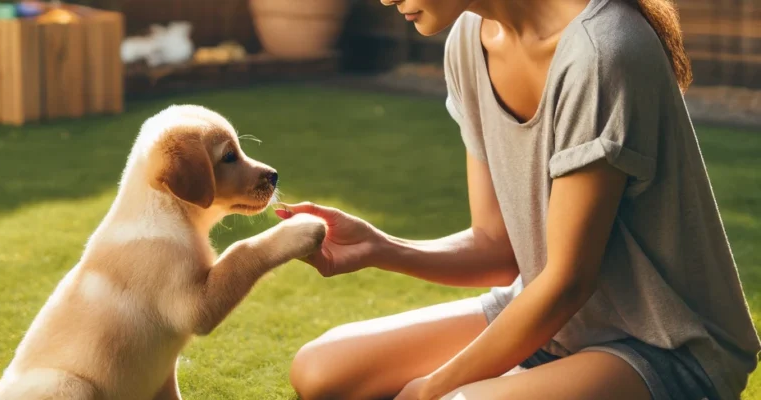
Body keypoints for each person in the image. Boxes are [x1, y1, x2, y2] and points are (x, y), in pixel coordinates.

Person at [278, 0, 761, 399]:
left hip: (666, 346)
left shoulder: (601, 50)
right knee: (319, 372)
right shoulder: (469, 41)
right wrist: (381, 248)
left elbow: (569, 281)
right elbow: (497, 246)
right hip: (552, 325)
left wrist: (430, 390)